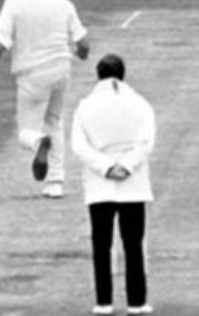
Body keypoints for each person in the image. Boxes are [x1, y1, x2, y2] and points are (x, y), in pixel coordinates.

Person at [0, 0, 90, 198]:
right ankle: (56, 182)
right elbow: (83, 44)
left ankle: (39, 143)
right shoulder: (62, 2)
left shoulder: (14, 3)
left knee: (26, 132)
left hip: (31, 74)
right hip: (61, 69)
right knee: (55, 122)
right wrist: (80, 54)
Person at [72, 54, 156, 316]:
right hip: (133, 184)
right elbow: (146, 142)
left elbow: (79, 145)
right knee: (134, 243)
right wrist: (127, 166)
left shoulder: (85, 106)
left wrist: (106, 168)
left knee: (101, 243)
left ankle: (104, 302)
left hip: (100, 185)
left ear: (99, 75)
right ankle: (137, 302)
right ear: (122, 74)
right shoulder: (140, 103)